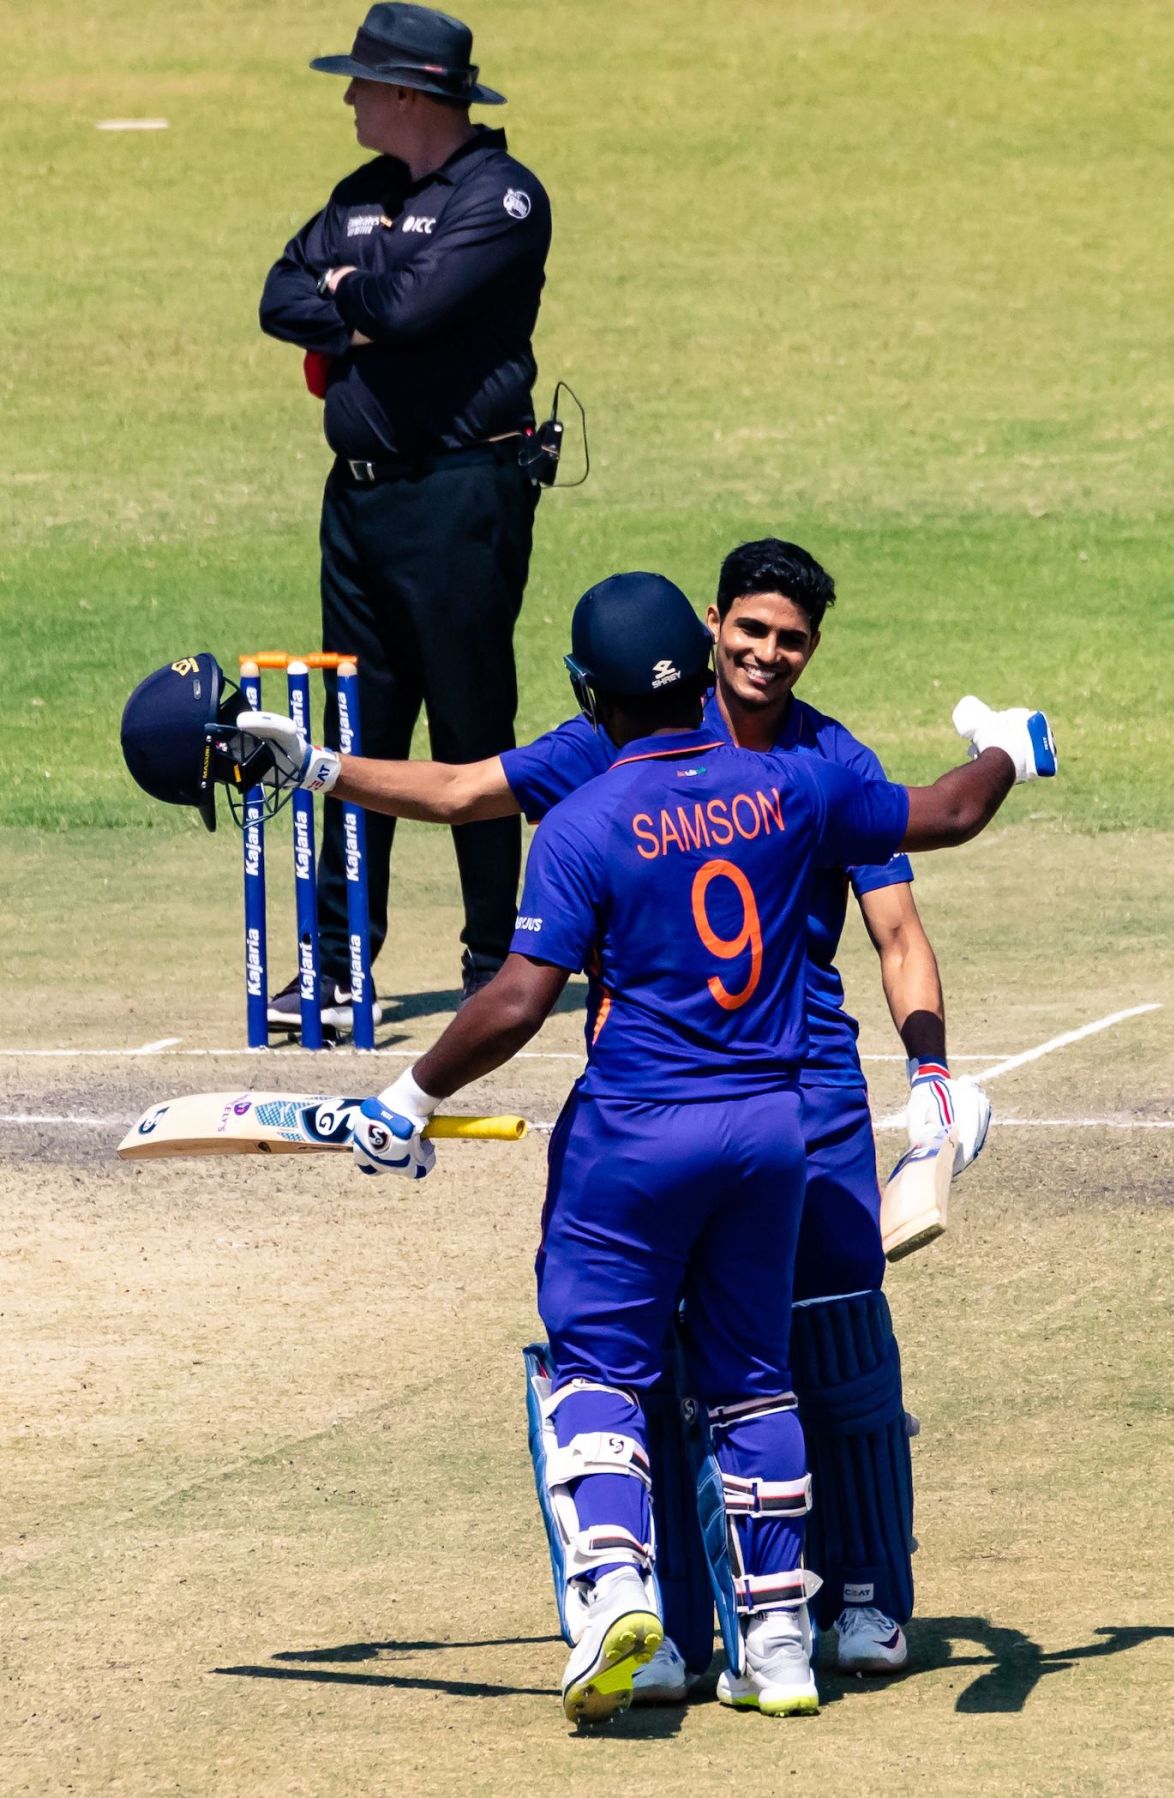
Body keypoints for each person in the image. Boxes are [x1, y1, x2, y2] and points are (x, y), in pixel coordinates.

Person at [239, 572, 1056, 1721]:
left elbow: (520, 997)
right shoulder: (796, 787)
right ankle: (776, 1645)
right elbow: (951, 811)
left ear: (591, 695)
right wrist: (1013, 751)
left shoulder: (581, 819)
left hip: (636, 1133)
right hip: (771, 1132)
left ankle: (622, 1599)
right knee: (755, 1380)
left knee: (602, 1369)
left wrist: (407, 1096)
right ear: (707, 646)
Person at [258, 2, 551, 1024]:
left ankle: (500, 953)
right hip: (362, 502)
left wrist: (356, 288)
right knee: (355, 727)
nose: (345, 97)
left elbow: (407, 311)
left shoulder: (504, 199)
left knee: (473, 725)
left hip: (463, 493)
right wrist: (362, 288)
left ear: (407, 95)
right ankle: (339, 965)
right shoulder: (359, 194)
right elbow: (276, 294)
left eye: (358, 82)